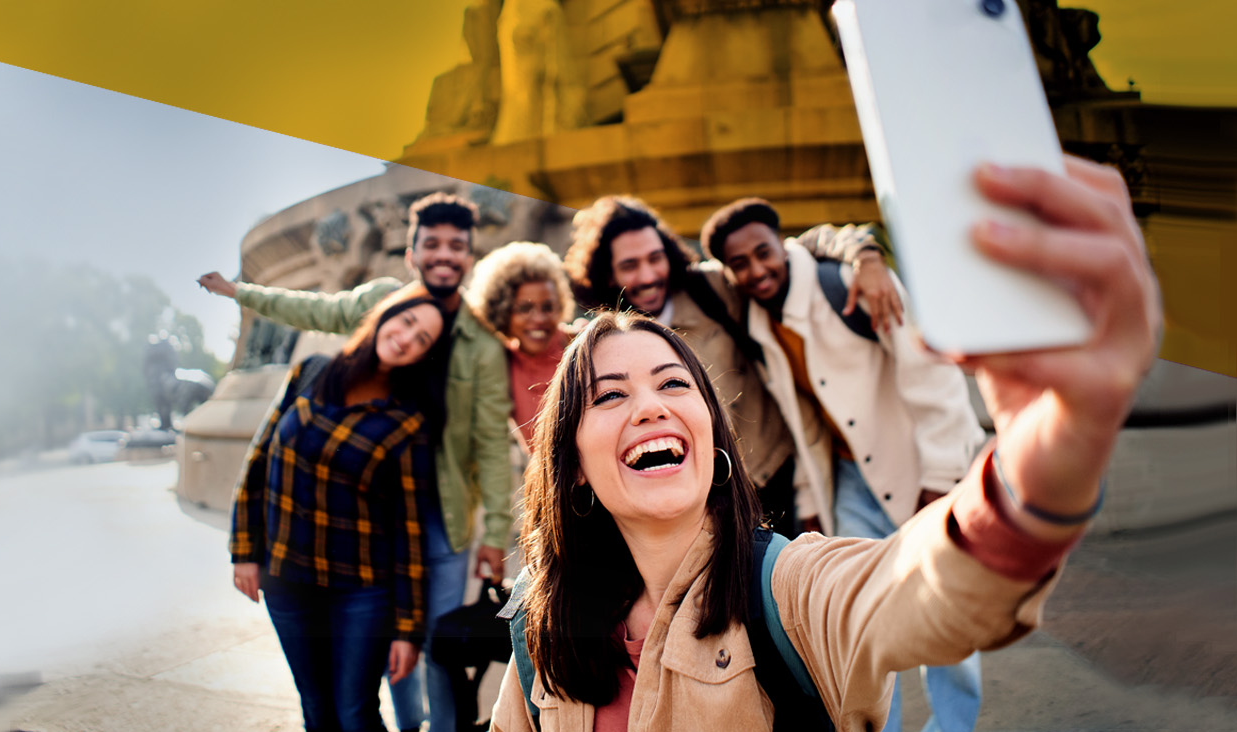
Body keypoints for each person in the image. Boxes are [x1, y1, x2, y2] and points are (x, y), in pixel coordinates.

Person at [488, 157, 1160, 732]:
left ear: (714, 435)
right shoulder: (537, 626)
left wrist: (1040, 464)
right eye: (610, 395)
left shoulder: (788, 587)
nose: (651, 406)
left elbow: (916, 588)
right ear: (571, 466)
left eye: (674, 383)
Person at [203, 192, 513, 732]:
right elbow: (314, 309)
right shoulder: (370, 315)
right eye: (432, 243)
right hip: (341, 526)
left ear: (470, 255)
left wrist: (495, 533)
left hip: (434, 515)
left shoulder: (480, 347)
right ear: (413, 252)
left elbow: (489, 440)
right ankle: (406, 721)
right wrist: (240, 293)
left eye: (456, 246)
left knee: (424, 646)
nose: (444, 254)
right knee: (353, 682)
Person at [701, 199, 988, 732]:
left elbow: (933, 377)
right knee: (859, 619)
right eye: (740, 263)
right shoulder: (761, 320)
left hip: (920, 470)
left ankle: (953, 727)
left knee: (944, 608)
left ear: (781, 243)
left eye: (763, 252)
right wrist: (812, 503)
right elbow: (804, 419)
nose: (756, 269)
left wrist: (941, 479)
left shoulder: (850, 285)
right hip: (851, 483)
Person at [561, 196, 899, 535]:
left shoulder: (711, 290)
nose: (648, 275)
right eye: (630, 265)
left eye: (655, 258)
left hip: (782, 477)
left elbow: (794, 250)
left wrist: (866, 258)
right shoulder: (607, 344)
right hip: (705, 503)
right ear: (607, 273)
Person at [230, 282, 446, 732]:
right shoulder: (310, 372)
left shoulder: (407, 422)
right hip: (286, 578)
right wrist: (244, 551)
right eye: (406, 322)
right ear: (387, 315)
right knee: (316, 707)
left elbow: (409, 531)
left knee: (355, 713)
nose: (407, 338)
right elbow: (259, 459)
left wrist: (407, 629)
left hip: (361, 592)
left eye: (422, 339)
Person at [465, 241, 576, 447]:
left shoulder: (580, 347)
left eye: (548, 307)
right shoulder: (500, 362)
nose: (539, 319)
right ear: (503, 311)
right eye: (524, 308)